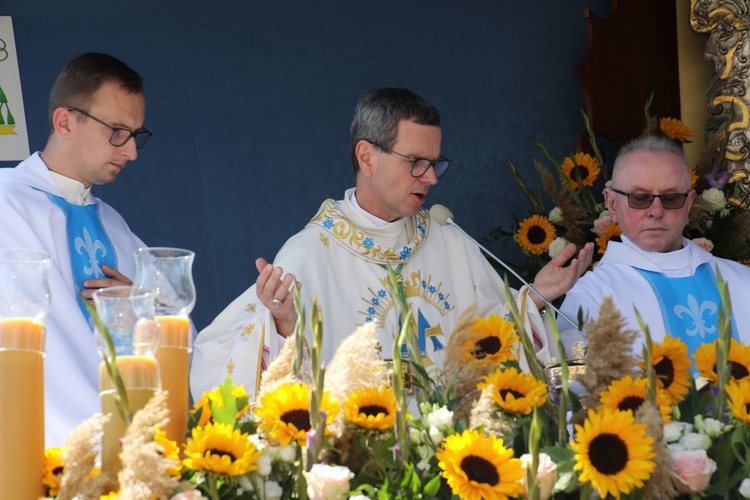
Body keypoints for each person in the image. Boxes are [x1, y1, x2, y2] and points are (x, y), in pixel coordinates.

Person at [191, 87, 593, 399]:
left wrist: (536, 295)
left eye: (435, 164)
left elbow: (489, 338)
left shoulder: (448, 239)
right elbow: (223, 365)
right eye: (416, 162)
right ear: (367, 157)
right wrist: (282, 324)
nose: (431, 178)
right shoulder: (310, 253)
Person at [0, 53, 152, 446]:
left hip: (128, 449)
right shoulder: (6, 205)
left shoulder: (116, 227)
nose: (131, 152)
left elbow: (175, 336)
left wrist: (141, 311)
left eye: (136, 135)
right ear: (64, 121)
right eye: (117, 131)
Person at [558, 135, 750, 360]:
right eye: (640, 198)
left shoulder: (742, 282)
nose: (656, 211)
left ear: (688, 204)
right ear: (612, 204)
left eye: (670, 198)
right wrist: (532, 300)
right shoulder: (591, 296)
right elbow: (573, 386)